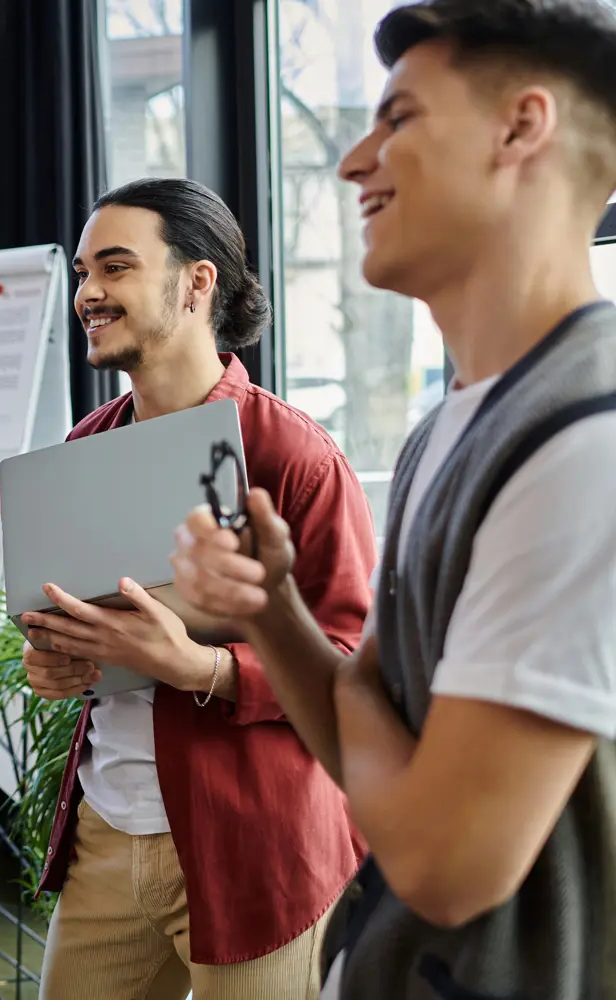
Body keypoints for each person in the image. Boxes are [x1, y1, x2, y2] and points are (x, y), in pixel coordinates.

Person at [171, 2, 616, 997]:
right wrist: (269, 610)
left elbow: (441, 866)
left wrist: (369, 713)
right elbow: (357, 709)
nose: (351, 160)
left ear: (521, 126)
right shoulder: (447, 428)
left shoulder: (588, 444)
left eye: (399, 118)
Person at [22, 178, 377, 1000]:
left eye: (115, 268)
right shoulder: (85, 444)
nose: (88, 294)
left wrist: (201, 668)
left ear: (196, 282)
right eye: (82, 272)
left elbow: (353, 667)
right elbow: (72, 625)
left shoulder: (295, 457)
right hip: (109, 833)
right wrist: (60, 665)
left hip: (253, 844)